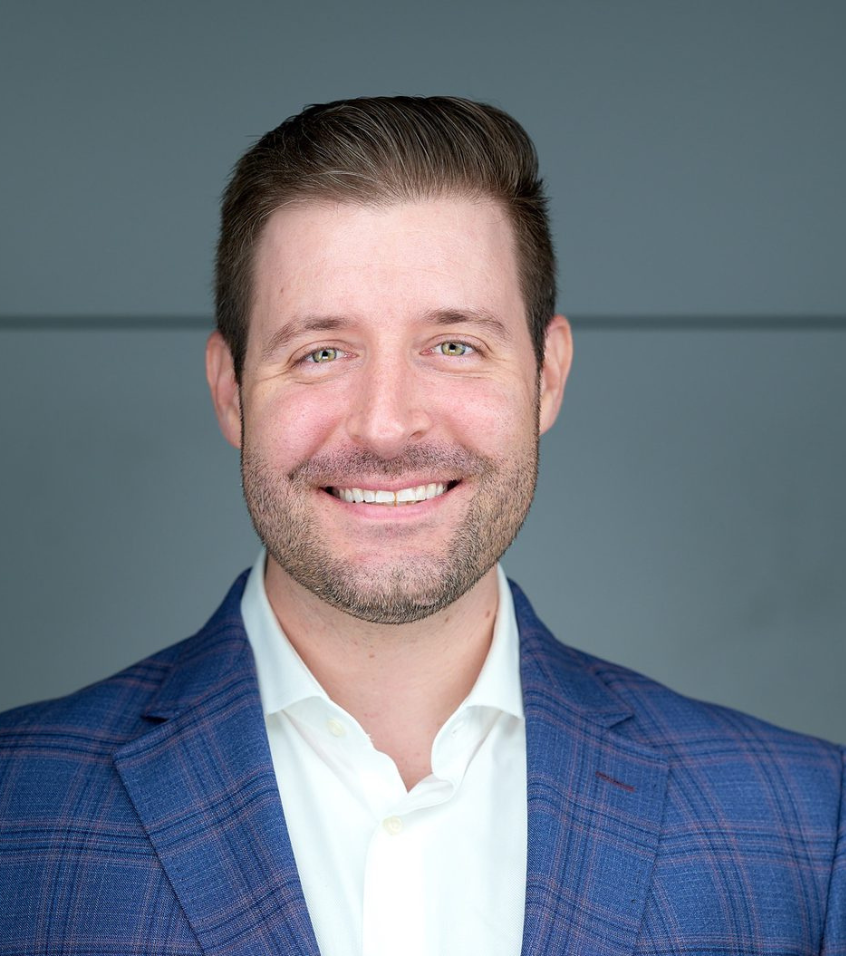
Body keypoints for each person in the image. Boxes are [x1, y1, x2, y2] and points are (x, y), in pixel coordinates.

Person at [0, 96, 843, 955]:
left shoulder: (807, 829)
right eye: (321, 352)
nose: (386, 425)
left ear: (547, 377)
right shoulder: (16, 809)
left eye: (454, 346)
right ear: (230, 391)